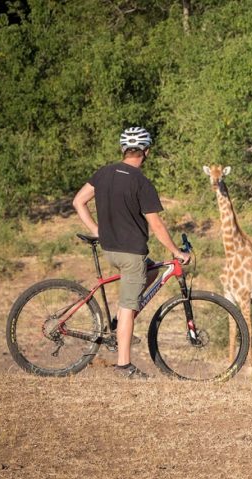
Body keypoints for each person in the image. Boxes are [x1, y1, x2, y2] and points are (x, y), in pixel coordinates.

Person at [72, 126, 190, 379]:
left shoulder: (103, 173)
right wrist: (176, 251)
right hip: (130, 254)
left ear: (123, 150)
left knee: (151, 272)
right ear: (146, 152)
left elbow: (78, 201)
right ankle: (124, 365)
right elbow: (156, 224)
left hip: (110, 250)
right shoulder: (141, 182)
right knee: (129, 305)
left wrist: (97, 229)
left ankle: (117, 324)